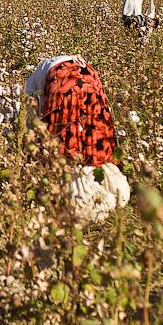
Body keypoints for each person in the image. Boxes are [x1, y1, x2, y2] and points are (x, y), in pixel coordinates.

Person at [25, 55, 129, 222]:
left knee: (61, 141)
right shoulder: (42, 72)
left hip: (60, 80)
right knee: (97, 133)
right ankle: (106, 182)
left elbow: (32, 125)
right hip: (88, 73)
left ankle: (73, 193)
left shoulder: (30, 87)